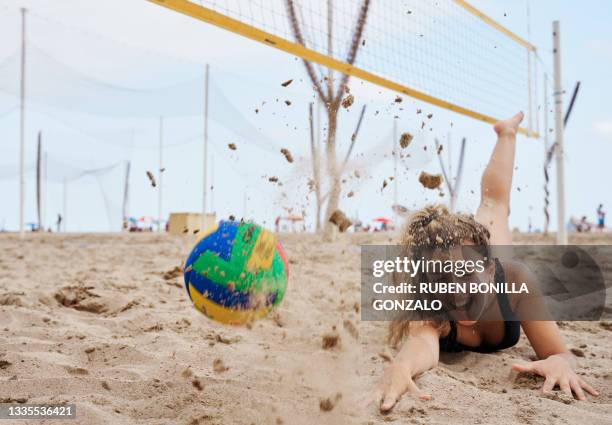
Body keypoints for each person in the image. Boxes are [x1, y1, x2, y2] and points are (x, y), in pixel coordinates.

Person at [371, 112, 598, 412]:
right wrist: (401, 366)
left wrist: (558, 362)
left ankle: (507, 134)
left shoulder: (514, 281)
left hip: (489, 250)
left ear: (490, 271)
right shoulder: (431, 305)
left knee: (494, 205)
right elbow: (421, 345)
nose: (456, 291)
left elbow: (561, 354)